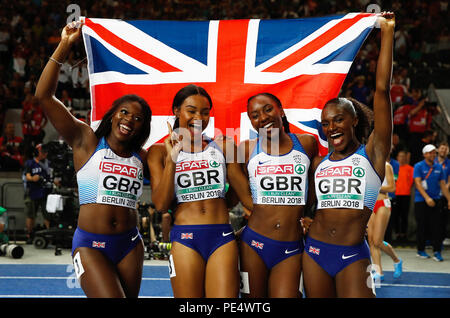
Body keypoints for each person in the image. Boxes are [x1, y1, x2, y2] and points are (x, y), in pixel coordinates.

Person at [35, 21, 152, 298]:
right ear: (112, 115)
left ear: (143, 128)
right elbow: (43, 95)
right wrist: (65, 44)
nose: (129, 120)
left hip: (130, 244)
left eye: (137, 118)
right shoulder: (85, 139)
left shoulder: (142, 156)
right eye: (124, 112)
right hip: (90, 243)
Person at [302, 12, 395, 298]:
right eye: (326, 123)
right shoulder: (318, 163)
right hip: (314, 252)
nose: (331, 128)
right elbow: (304, 204)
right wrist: (304, 219)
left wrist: (388, 32)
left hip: (353, 255)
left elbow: (382, 90)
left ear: (354, 121)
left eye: (338, 120)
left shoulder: (373, 154)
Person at [147, 84, 253, 298]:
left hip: (221, 236)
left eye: (205, 112)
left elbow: (235, 194)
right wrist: (173, 159)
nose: (199, 117)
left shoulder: (224, 145)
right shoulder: (158, 152)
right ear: (176, 111)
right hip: (185, 238)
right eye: (192, 110)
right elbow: (161, 204)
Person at [238, 92, 317, 298]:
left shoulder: (307, 143)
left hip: (291, 247)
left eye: (268, 109)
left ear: (281, 110)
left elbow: (314, 187)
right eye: (254, 115)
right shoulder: (245, 149)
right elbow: (231, 177)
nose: (263, 118)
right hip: (253, 244)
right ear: (251, 122)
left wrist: (312, 217)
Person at [413, 144, 450, 261]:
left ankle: (437, 251)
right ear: (424, 154)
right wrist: (427, 198)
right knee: (422, 226)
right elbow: (418, 184)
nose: (432, 154)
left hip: (436, 200)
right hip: (421, 201)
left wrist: (449, 199)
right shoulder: (418, 166)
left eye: (434, 152)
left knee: (437, 226)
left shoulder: (439, 167)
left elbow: (443, 185)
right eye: (429, 152)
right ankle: (420, 250)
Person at [367, 161, 403, 282]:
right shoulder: (365, 165)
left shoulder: (386, 166)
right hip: (370, 204)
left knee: (377, 241)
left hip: (383, 203)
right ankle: (378, 272)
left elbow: (392, 187)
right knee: (371, 241)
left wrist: (373, 186)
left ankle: (396, 260)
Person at [23, 143, 52, 244]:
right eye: (42, 151)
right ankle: (29, 234)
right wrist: (33, 178)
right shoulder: (30, 163)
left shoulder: (49, 163)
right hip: (33, 192)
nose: (45, 153)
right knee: (31, 215)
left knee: (48, 215)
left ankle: (49, 235)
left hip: (45, 192)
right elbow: (26, 176)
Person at [393, 149, 414, 242]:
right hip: (395, 194)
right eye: (400, 156)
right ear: (397, 157)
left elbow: (411, 181)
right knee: (396, 215)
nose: (401, 158)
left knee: (404, 215)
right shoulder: (394, 168)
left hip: (406, 194)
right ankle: (397, 234)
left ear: (406, 157)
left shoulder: (410, 168)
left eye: (403, 156)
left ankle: (404, 234)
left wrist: (406, 188)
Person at [435, 142, 449, 245]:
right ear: (438, 150)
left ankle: (444, 237)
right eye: (442, 148)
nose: (443, 150)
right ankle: (431, 239)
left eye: (445, 149)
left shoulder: (449, 163)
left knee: (444, 217)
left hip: (445, 193)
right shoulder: (432, 161)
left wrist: (445, 188)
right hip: (433, 193)